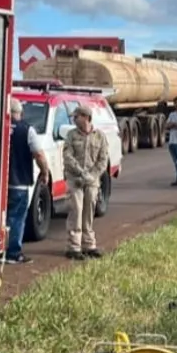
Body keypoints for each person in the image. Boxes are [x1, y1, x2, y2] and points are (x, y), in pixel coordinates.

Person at [3, 98, 49, 264]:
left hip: (0, 185)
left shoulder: (1, 127)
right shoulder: (27, 130)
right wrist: (45, 172)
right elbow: (39, 155)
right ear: (20, 113)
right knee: (17, 218)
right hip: (19, 183)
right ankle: (13, 253)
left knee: (2, 218)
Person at [62, 103, 109, 260]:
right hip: (75, 179)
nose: (74, 119)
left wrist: (92, 175)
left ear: (86, 118)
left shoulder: (99, 136)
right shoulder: (71, 135)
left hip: (92, 181)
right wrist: (81, 173)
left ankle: (89, 245)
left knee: (89, 211)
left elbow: (103, 160)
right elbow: (68, 157)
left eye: (77, 116)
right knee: (76, 209)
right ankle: (74, 246)